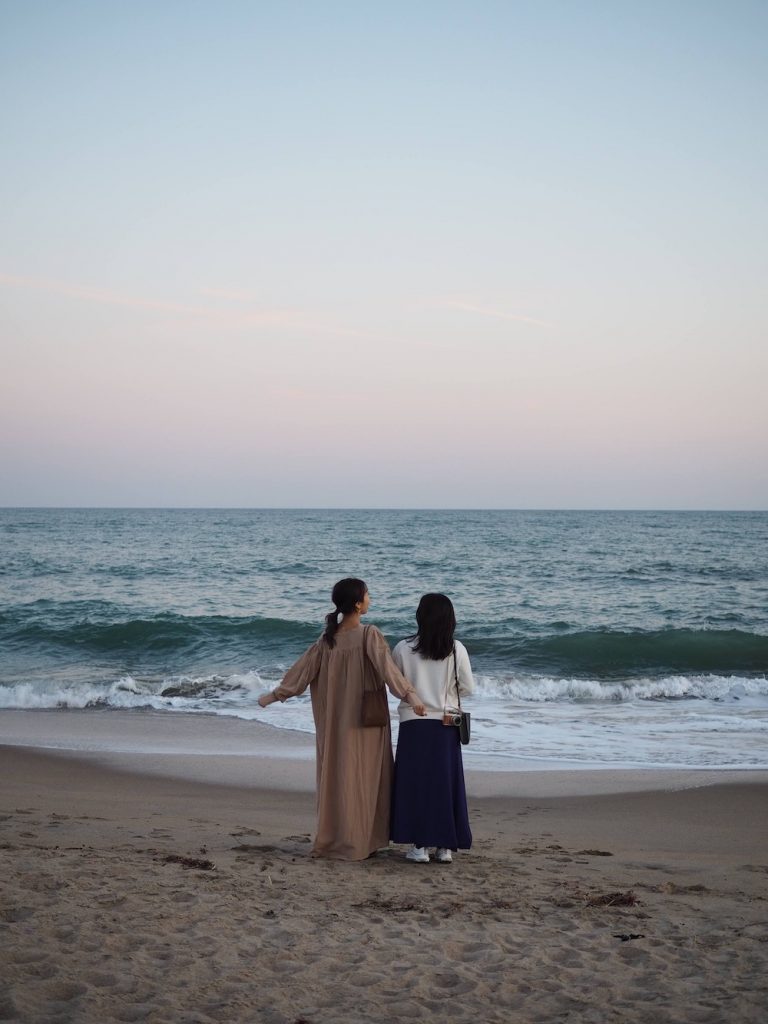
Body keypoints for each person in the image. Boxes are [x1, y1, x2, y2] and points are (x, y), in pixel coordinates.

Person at [258, 578, 426, 860]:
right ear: (358, 604)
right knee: (367, 779)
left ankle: (339, 839)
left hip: (335, 723)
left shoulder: (326, 640)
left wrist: (274, 695)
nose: (370, 599)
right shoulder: (369, 634)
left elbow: (300, 675)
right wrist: (412, 696)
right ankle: (364, 841)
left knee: (340, 778)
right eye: (367, 595)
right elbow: (388, 672)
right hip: (367, 722)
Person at [390, 593, 474, 864]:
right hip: (446, 724)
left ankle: (420, 846)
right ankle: (444, 847)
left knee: (416, 785)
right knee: (444, 785)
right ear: (451, 619)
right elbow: (467, 688)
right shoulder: (456, 648)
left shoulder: (403, 648)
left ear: (420, 617)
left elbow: (396, 687)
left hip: (414, 725)